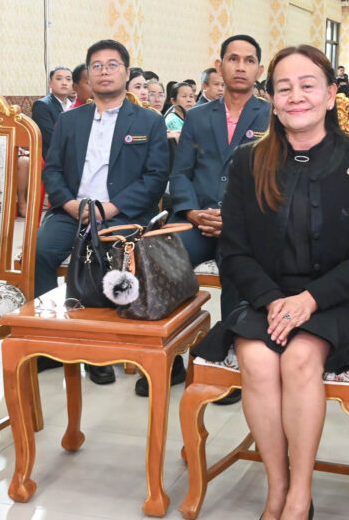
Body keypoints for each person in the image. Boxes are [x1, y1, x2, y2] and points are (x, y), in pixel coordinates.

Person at [194, 45, 349, 520]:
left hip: (332, 296)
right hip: (263, 292)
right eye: (284, 87)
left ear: (330, 95)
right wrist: (273, 299)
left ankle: (300, 497)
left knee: (300, 358)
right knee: (257, 359)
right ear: (272, 99)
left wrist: (309, 300)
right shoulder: (248, 160)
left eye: (308, 85)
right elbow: (234, 249)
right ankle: (276, 489)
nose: (296, 96)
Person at [35, 39, 169, 383]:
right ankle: (51, 341)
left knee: (103, 258)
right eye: (97, 66)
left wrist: (110, 208)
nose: (104, 71)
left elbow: (155, 178)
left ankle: (98, 349)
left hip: (121, 213)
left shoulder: (148, 121)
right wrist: (70, 203)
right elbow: (52, 170)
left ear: (126, 72)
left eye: (112, 65)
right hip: (73, 210)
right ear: (88, 75)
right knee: (40, 252)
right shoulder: (69, 120)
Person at [170, 35, 270, 310]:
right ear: (220, 66)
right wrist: (192, 212)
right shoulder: (197, 116)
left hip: (245, 225)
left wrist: (237, 219)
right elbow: (180, 173)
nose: (241, 67)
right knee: (162, 255)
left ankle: (229, 333)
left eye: (249, 61)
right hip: (198, 220)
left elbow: (276, 180)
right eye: (233, 59)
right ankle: (177, 334)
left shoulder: (272, 116)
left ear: (259, 70)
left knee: (240, 269)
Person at [31, 66, 73, 159]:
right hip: (54, 157)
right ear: (50, 84)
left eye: (68, 79)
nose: (64, 83)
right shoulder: (42, 106)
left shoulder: (75, 106)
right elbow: (52, 139)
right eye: (59, 79)